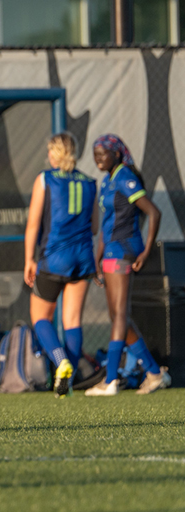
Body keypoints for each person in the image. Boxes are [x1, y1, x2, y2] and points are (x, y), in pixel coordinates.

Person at [85, 134, 171, 396]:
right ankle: (154, 373)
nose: (98, 158)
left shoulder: (124, 177)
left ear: (118, 154)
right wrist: (96, 259)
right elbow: (106, 226)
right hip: (110, 251)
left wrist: (145, 252)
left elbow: (154, 212)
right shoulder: (106, 181)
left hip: (123, 251)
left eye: (103, 154)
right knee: (117, 316)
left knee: (120, 314)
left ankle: (111, 379)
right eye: (95, 154)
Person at [23, 133, 96, 398]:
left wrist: (29, 259)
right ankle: (67, 383)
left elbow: (33, 224)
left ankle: (60, 360)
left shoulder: (46, 179)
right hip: (83, 257)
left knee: (41, 317)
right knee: (73, 321)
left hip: (55, 258)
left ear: (54, 154)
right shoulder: (90, 182)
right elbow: (95, 225)